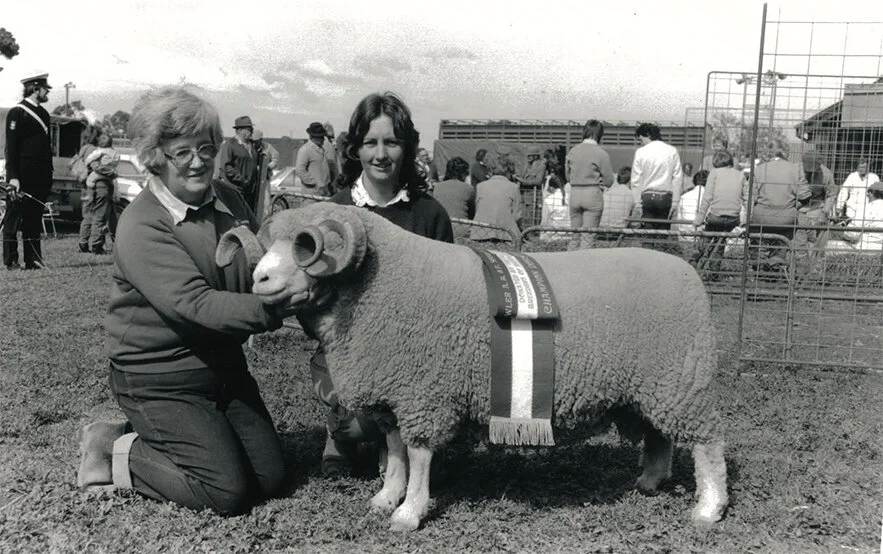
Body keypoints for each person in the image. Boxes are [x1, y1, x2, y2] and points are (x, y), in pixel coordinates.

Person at [76, 86, 294, 515]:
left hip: (223, 368)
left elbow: (261, 259)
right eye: (182, 152)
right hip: (158, 376)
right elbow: (194, 305)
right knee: (223, 491)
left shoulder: (228, 198)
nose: (198, 161)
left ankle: (194, 436)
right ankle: (114, 449)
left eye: (206, 148)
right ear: (156, 156)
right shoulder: (142, 224)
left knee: (270, 478)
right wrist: (278, 308)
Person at [313, 92, 453, 477]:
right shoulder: (336, 212)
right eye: (370, 142)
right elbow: (319, 303)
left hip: (419, 355)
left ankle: (399, 448)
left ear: (406, 147)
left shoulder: (429, 214)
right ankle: (341, 433)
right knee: (361, 420)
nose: (380, 154)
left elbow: (450, 299)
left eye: (391, 142)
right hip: (354, 355)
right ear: (355, 148)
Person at [3, 73, 53, 270]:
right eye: (44, 88)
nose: (47, 91)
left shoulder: (44, 114)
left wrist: (48, 174)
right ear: (34, 88)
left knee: (33, 217)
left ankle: (33, 259)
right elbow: (11, 148)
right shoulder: (17, 112)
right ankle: (11, 260)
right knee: (13, 218)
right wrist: (13, 177)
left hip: (39, 175)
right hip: (21, 175)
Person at [746, 145, 809, 273]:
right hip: (786, 218)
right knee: (783, 237)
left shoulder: (760, 169)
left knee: (759, 241)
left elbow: (751, 197)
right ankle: (776, 260)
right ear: (786, 154)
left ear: (768, 154)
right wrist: (791, 208)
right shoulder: (795, 169)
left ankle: (758, 265)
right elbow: (805, 196)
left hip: (762, 217)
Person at [691, 150, 746, 278]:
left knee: (706, 238)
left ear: (715, 162)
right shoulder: (740, 175)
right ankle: (714, 272)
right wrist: (746, 218)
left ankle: (693, 262)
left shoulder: (714, 173)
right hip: (733, 218)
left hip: (715, 216)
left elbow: (707, 197)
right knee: (721, 242)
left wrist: (699, 219)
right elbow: (747, 198)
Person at [565, 119, 615, 250]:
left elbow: (567, 176)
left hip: (575, 193)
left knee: (574, 237)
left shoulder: (572, 151)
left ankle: (568, 265)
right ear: (600, 134)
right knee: (588, 238)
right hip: (592, 194)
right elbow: (609, 181)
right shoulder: (601, 154)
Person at [631, 122, 683, 232]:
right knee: (663, 231)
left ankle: (647, 248)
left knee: (647, 231)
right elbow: (677, 178)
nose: (641, 143)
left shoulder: (640, 152)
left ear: (648, 135)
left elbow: (636, 180)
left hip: (647, 196)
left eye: (641, 140)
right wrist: (675, 201)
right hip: (665, 197)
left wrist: (637, 202)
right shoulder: (672, 150)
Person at [83, 130, 120, 255]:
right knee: (101, 217)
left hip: (97, 184)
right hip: (104, 185)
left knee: (95, 215)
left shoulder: (98, 153)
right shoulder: (114, 154)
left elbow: (90, 161)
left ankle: (88, 243)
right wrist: (112, 173)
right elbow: (110, 170)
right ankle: (97, 245)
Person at [470, 157, 522, 243]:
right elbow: (518, 215)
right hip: (506, 233)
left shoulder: (480, 186)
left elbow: (478, 208)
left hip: (480, 232)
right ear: (509, 171)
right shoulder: (514, 187)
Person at [797, 152, 838, 260]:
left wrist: (825, 212)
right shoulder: (794, 170)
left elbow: (831, 194)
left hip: (815, 207)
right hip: (797, 207)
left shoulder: (826, 173)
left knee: (814, 240)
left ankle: (813, 265)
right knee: (798, 240)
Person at [216, 116, 259, 210]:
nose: (251, 131)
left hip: (249, 191)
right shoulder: (230, 144)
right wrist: (243, 180)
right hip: (235, 189)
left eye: (251, 129)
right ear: (239, 130)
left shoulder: (251, 145)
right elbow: (226, 167)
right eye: (248, 129)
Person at [432, 156, 475, 239]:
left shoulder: (437, 187)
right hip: (461, 229)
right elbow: (472, 212)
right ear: (463, 173)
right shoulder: (468, 189)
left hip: (439, 228)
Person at [75, 125, 101, 253]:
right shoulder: (95, 150)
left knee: (86, 215)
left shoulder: (83, 149)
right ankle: (92, 243)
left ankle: (82, 243)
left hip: (83, 185)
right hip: (91, 185)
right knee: (94, 215)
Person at [836, 159, 880, 226]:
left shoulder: (874, 177)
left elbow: (877, 195)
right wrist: (839, 206)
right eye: (859, 167)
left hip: (867, 210)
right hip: (852, 210)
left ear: (868, 167)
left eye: (863, 167)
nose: (861, 169)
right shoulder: (852, 176)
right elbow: (844, 191)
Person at [841, 181, 883, 250]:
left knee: (829, 245)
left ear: (871, 193)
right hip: (880, 249)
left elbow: (852, 233)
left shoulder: (868, 208)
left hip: (865, 247)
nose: (867, 195)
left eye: (868, 192)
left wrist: (844, 232)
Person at [295, 122, 332, 196]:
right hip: (311, 194)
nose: (323, 139)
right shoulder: (305, 150)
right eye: (320, 137)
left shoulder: (322, 150)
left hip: (324, 193)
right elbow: (300, 170)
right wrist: (315, 184)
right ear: (313, 137)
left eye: (323, 137)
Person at [251, 129, 278, 222]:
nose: (254, 144)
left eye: (256, 141)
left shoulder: (268, 147)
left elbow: (275, 159)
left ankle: (264, 222)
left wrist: (267, 167)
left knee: (266, 203)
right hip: (251, 179)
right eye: (252, 141)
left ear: (260, 140)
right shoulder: (248, 147)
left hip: (264, 178)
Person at [539, 161, 569, 242]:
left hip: (554, 236)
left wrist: (541, 236)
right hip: (569, 234)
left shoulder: (548, 200)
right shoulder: (570, 197)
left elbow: (544, 221)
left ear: (551, 188)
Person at [599, 166, 637, 230]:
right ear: (631, 180)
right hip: (619, 229)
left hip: (601, 228)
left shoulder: (607, 193)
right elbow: (635, 220)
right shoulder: (631, 194)